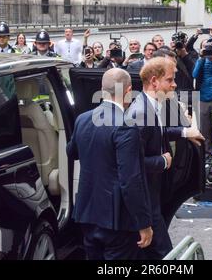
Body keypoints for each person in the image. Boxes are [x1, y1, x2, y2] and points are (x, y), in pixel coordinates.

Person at [67, 68, 153, 260]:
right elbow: (130, 180)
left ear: (103, 89)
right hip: (117, 220)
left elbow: (71, 152)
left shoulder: (82, 119)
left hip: (87, 213)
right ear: (129, 91)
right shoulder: (126, 125)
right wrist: (144, 223)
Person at [125, 57, 204, 260]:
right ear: (154, 82)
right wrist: (162, 161)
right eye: (170, 80)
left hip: (154, 197)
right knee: (165, 255)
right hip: (146, 202)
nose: (175, 84)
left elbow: (158, 133)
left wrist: (185, 133)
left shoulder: (150, 105)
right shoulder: (140, 113)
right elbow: (130, 164)